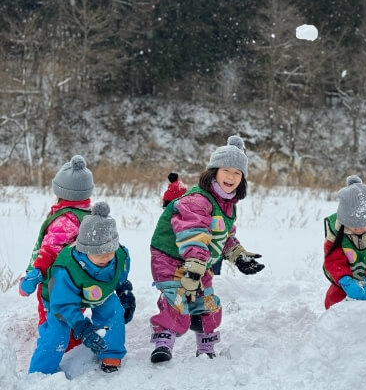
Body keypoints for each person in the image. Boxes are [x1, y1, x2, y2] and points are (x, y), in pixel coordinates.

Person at [149, 135, 264, 363]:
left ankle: (206, 344)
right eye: (226, 171)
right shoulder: (197, 200)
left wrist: (238, 255)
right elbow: (193, 234)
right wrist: (193, 268)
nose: (231, 177)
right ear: (213, 172)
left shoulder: (227, 204)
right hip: (171, 258)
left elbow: (223, 235)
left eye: (237, 173)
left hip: (200, 263)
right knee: (177, 297)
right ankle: (164, 340)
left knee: (208, 303)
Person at [28, 202, 135, 374]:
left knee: (113, 309)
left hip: (97, 292)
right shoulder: (67, 268)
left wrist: (125, 292)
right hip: (60, 299)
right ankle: (41, 372)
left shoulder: (120, 255)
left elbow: (120, 273)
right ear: (84, 250)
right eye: (98, 253)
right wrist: (83, 328)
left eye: (109, 251)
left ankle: (111, 352)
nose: (106, 257)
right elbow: (63, 304)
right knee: (58, 335)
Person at [19, 154, 94, 351]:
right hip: (79, 278)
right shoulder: (89, 215)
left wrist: (35, 274)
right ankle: (73, 340)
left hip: (54, 280)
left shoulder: (65, 220)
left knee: (51, 313)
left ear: (62, 192)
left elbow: (50, 251)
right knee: (72, 309)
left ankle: (55, 345)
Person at [322, 175, 366, 310]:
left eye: (362, 225)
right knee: (334, 302)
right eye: (353, 225)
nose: (358, 229)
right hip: (343, 279)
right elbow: (333, 258)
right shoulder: (336, 230)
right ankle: (333, 327)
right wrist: (345, 281)